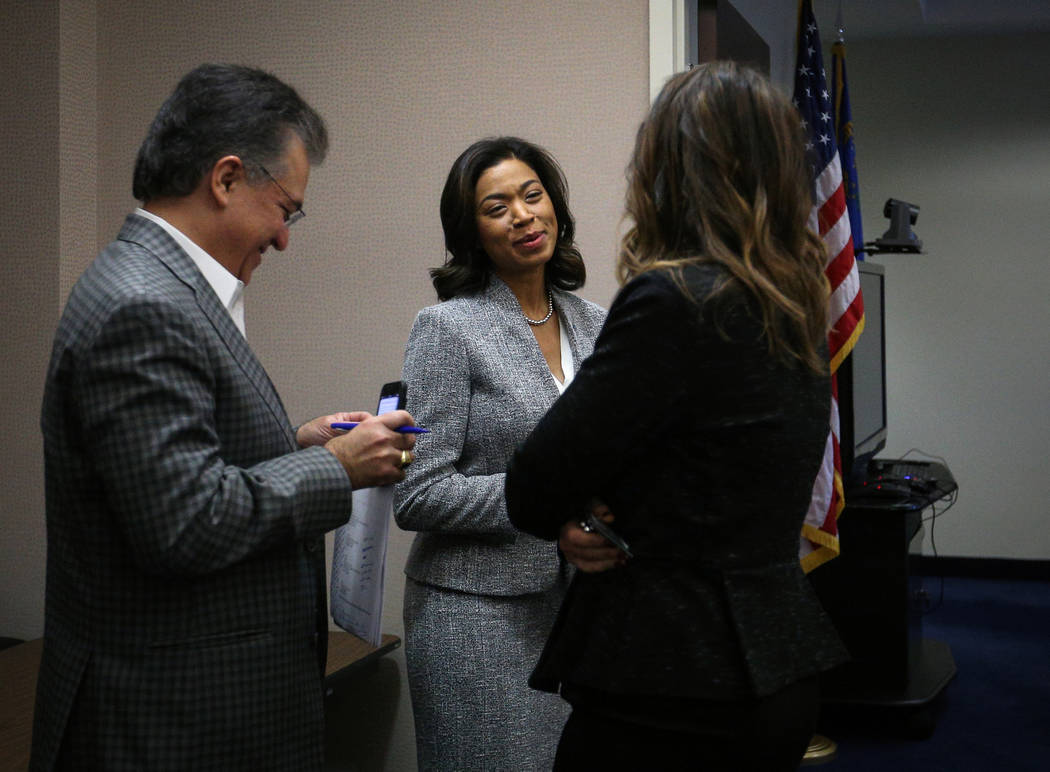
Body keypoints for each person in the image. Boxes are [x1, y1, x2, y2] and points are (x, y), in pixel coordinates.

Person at [31, 64, 417, 772]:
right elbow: (184, 524)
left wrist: (290, 442)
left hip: (202, 712)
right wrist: (334, 466)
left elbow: (178, 469)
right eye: (285, 209)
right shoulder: (143, 306)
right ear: (227, 178)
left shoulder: (163, 289)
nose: (283, 239)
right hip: (167, 723)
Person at [504, 62, 850, 771]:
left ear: (668, 170)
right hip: (773, 664)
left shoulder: (673, 300)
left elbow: (533, 484)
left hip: (672, 682)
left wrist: (584, 513)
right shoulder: (795, 303)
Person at [392, 137, 607, 770]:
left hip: (583, 611)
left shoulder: (595, 323)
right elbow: (418, 491)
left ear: (556, 208)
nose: (522, 214)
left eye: (532, 195)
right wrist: (549, 503)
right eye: (497, 206)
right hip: (476, 618)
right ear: (471, 233)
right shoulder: (447, 329)